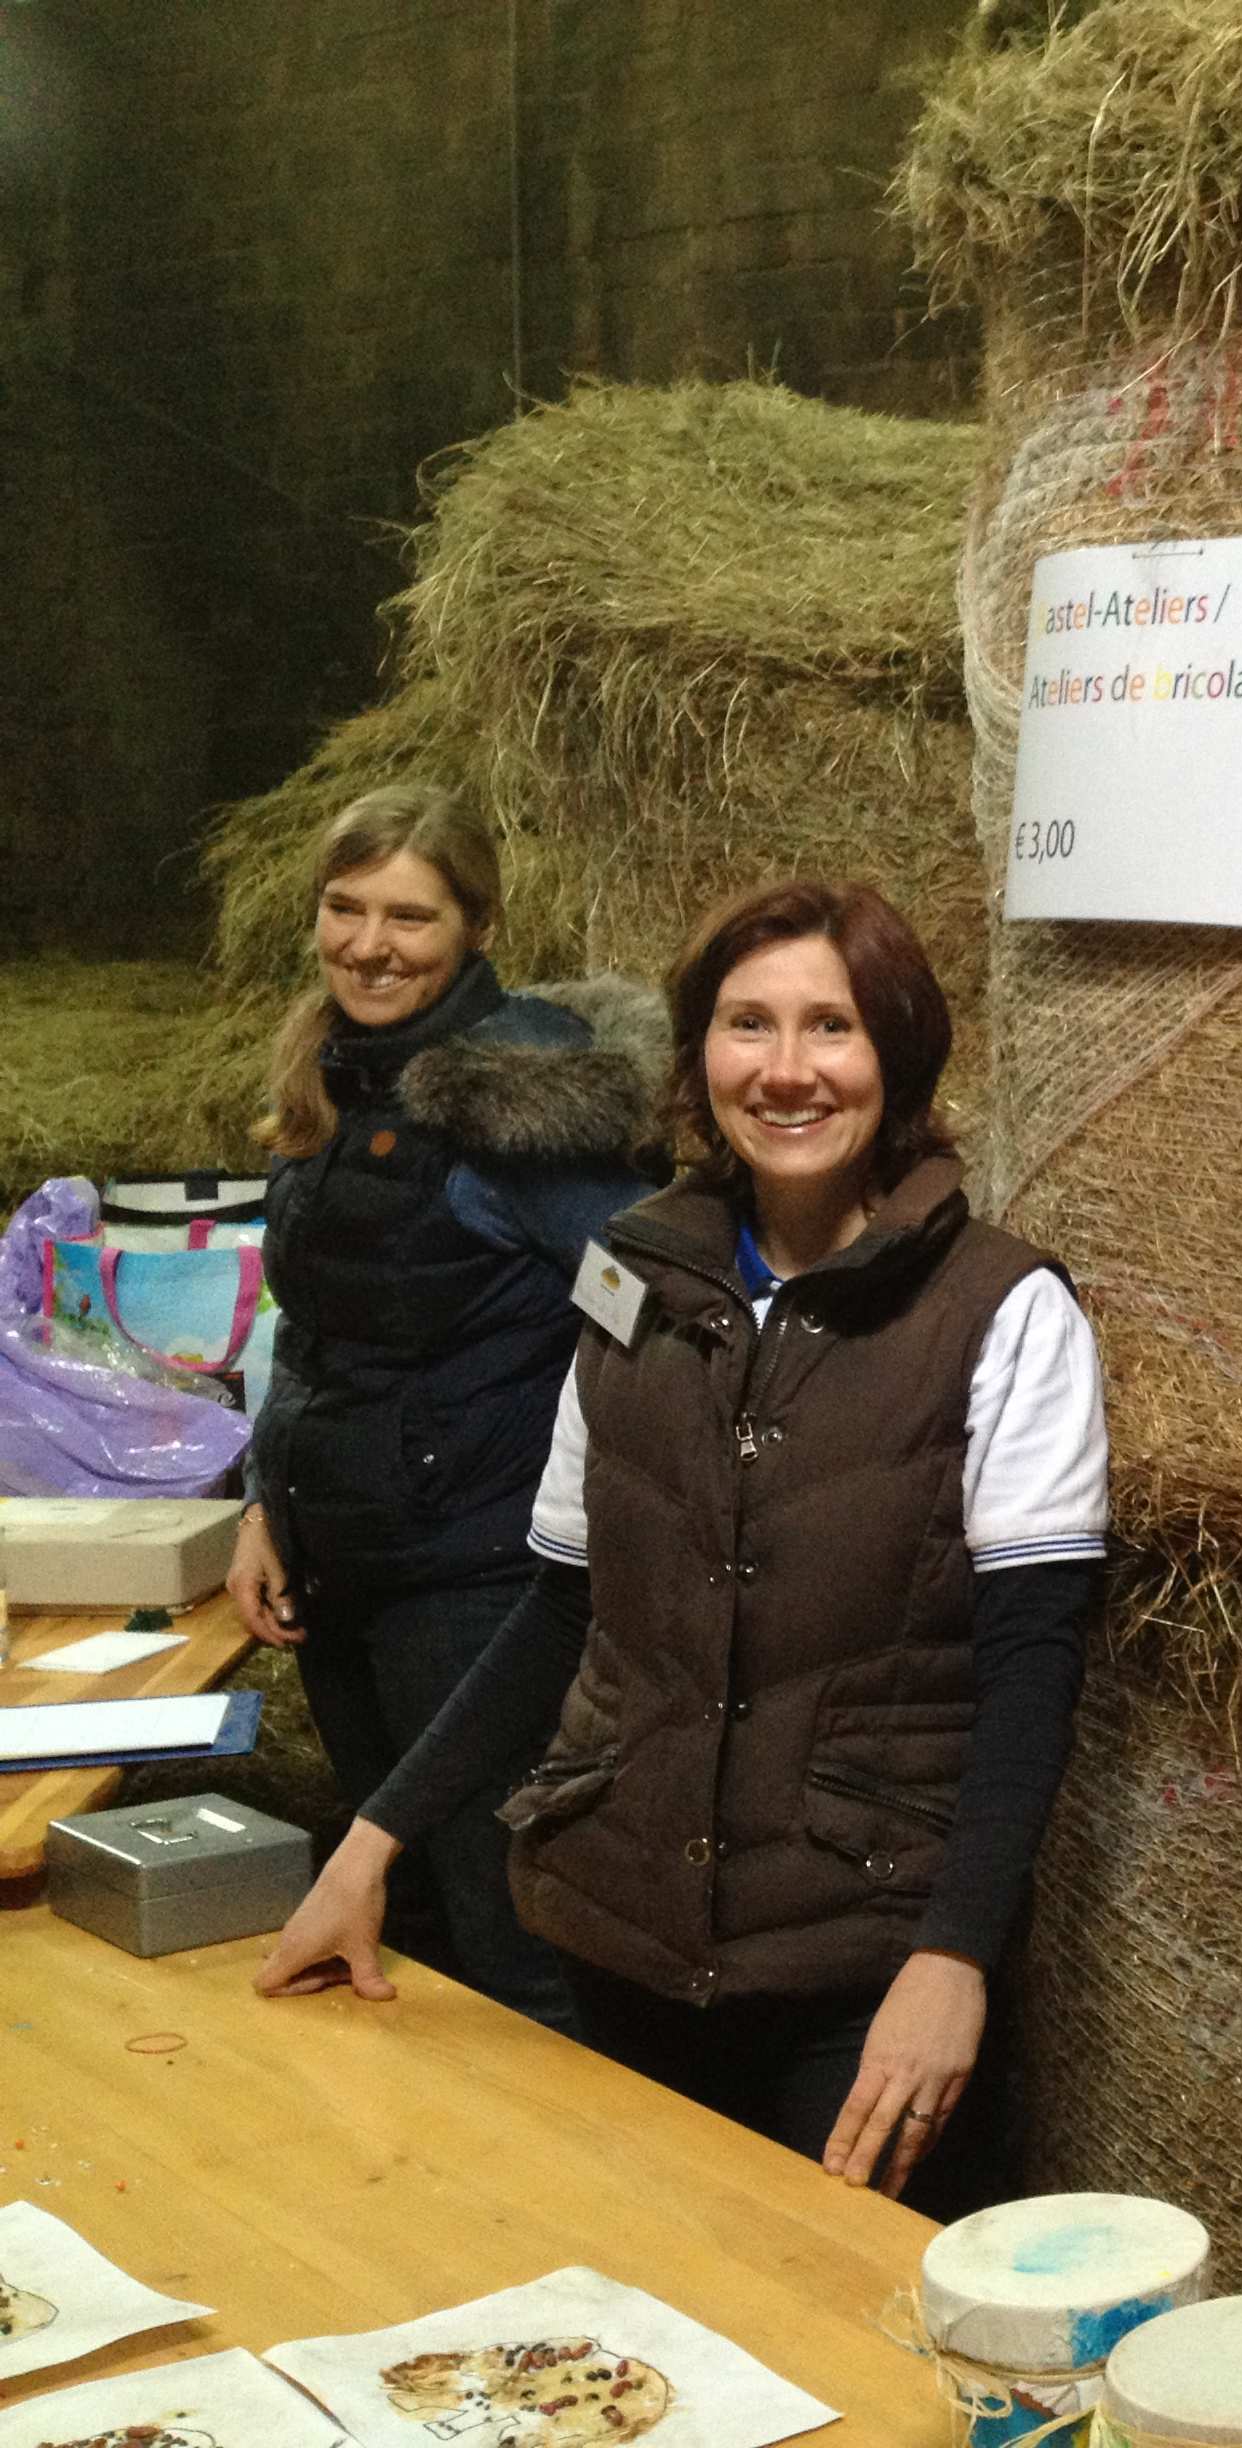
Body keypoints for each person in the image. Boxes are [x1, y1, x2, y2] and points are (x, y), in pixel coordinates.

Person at [257, 879, 1109, 2212]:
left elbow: (1032, 1669)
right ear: (698, 1052)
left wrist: (954, 1962)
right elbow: (559, 1609)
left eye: (831, 1026)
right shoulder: (630, 1274)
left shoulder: (1004, 1311)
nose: (786, 1069)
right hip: (621, 1941)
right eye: (746, 1023)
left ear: (899, 1056)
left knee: (848, 2320)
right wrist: (371, 1845)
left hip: (856, 1976)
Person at [227, 784, 660, 2035]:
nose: (369, 944)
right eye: (344, 907)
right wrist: (263, 1502)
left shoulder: (519, 1106)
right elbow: (317, 1323)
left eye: (409, 917)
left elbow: (646, 1309)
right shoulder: (335, 1076)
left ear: (478, 928)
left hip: (471, 1587)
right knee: (398, 1916)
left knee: (508, 1940)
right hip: (344, 1569)